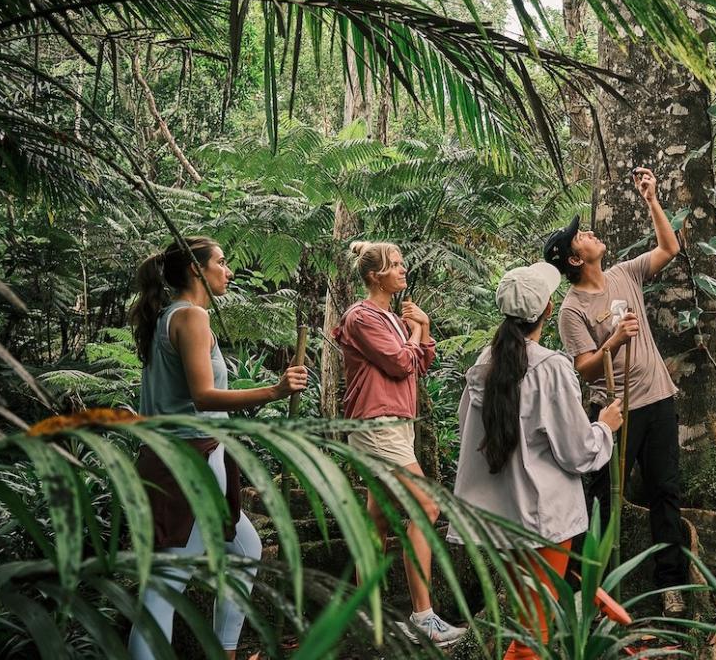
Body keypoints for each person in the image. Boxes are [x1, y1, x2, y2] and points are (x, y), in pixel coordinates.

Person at [128, 237, 308, 660]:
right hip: (189, 463)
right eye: (222, 263)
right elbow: (204, 396)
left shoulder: (166, 317)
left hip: (178, 458)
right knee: (164, 587)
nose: (228, 271)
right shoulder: (191, 316)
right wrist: (275, 390)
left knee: (246, 550)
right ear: (196, 269)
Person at [449, 262, 624, 660]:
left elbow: (470, 435)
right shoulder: (549, 367)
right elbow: (578, 451)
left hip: (498, 518)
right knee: (534, 633)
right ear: (548, 310)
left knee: (529, 620)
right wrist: (605, 427)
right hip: (542, 520)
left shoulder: (482, 366)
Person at [542, 166, 689, 616]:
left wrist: (651, 199)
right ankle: (593, 585)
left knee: (666, 491)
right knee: (607, 500)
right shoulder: (571, 309)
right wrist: (614, 341)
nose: (587, 232)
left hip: (658, 401)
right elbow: (586, 369)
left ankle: (672, 585)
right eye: (579, 236)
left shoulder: (625, 273)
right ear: (573, 259)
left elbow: (670, 248)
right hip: (618, 413)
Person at [332, 241, 465, 647]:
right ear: (375, 276)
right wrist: (418, 330)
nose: (403, 270)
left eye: (403, 264)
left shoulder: (390, 316)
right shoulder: (361, 316)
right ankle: (423, 616)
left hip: (394, 422)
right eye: (396, 265)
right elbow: (400, 362)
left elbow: (421, 363)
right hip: (378, 424)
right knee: (427, 505)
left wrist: (420, 330)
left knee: (379, 517)